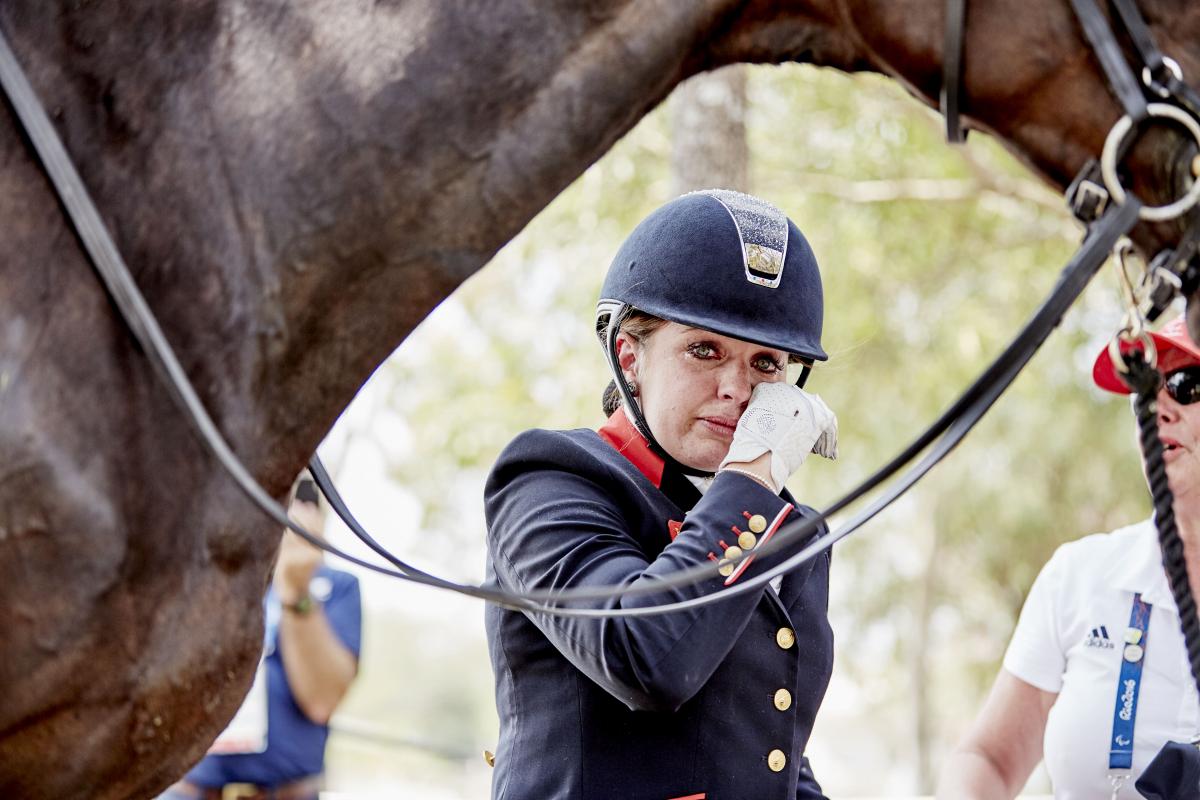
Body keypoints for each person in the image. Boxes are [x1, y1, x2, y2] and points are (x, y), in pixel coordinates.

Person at [483, 189, 841, 800]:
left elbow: (767, 756)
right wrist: (754, 475)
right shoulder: (551, 479)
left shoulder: (789, 529)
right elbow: (643, 658)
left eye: (766, 365)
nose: (737, 388)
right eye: (705, 350)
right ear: (631, 354)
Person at [935, 316, 1200, 800]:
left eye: (1185, 385)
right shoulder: (1079, 576)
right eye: (1144, 389)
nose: (1158, 407)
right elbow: (988, 760)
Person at [163, 477, 362, 800]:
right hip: (190, 789)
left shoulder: (337, 586)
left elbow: (321, 701)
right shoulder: (197, 574)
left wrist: (297, 591)